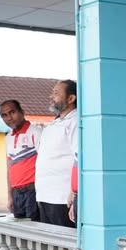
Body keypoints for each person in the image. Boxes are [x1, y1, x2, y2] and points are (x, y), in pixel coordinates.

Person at [35, 80, 79, 228]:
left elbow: (79, 158)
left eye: (56, 93)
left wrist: (74, 191)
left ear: (71, 99)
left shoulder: (75, 121)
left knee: (65, 244)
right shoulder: (54, 123)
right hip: (46, 196)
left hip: (62, 198)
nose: (50, 96)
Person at [0, 99, 41, 220]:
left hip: (33, 191)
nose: (9, 118)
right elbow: (9, 168)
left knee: (35, 231)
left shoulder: (36, 133)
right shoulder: (8, 138)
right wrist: (10, 196)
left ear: (22, 112)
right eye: (4, 115)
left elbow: (44, 164)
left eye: (12, 112)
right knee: (21, 232)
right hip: (16, 193)